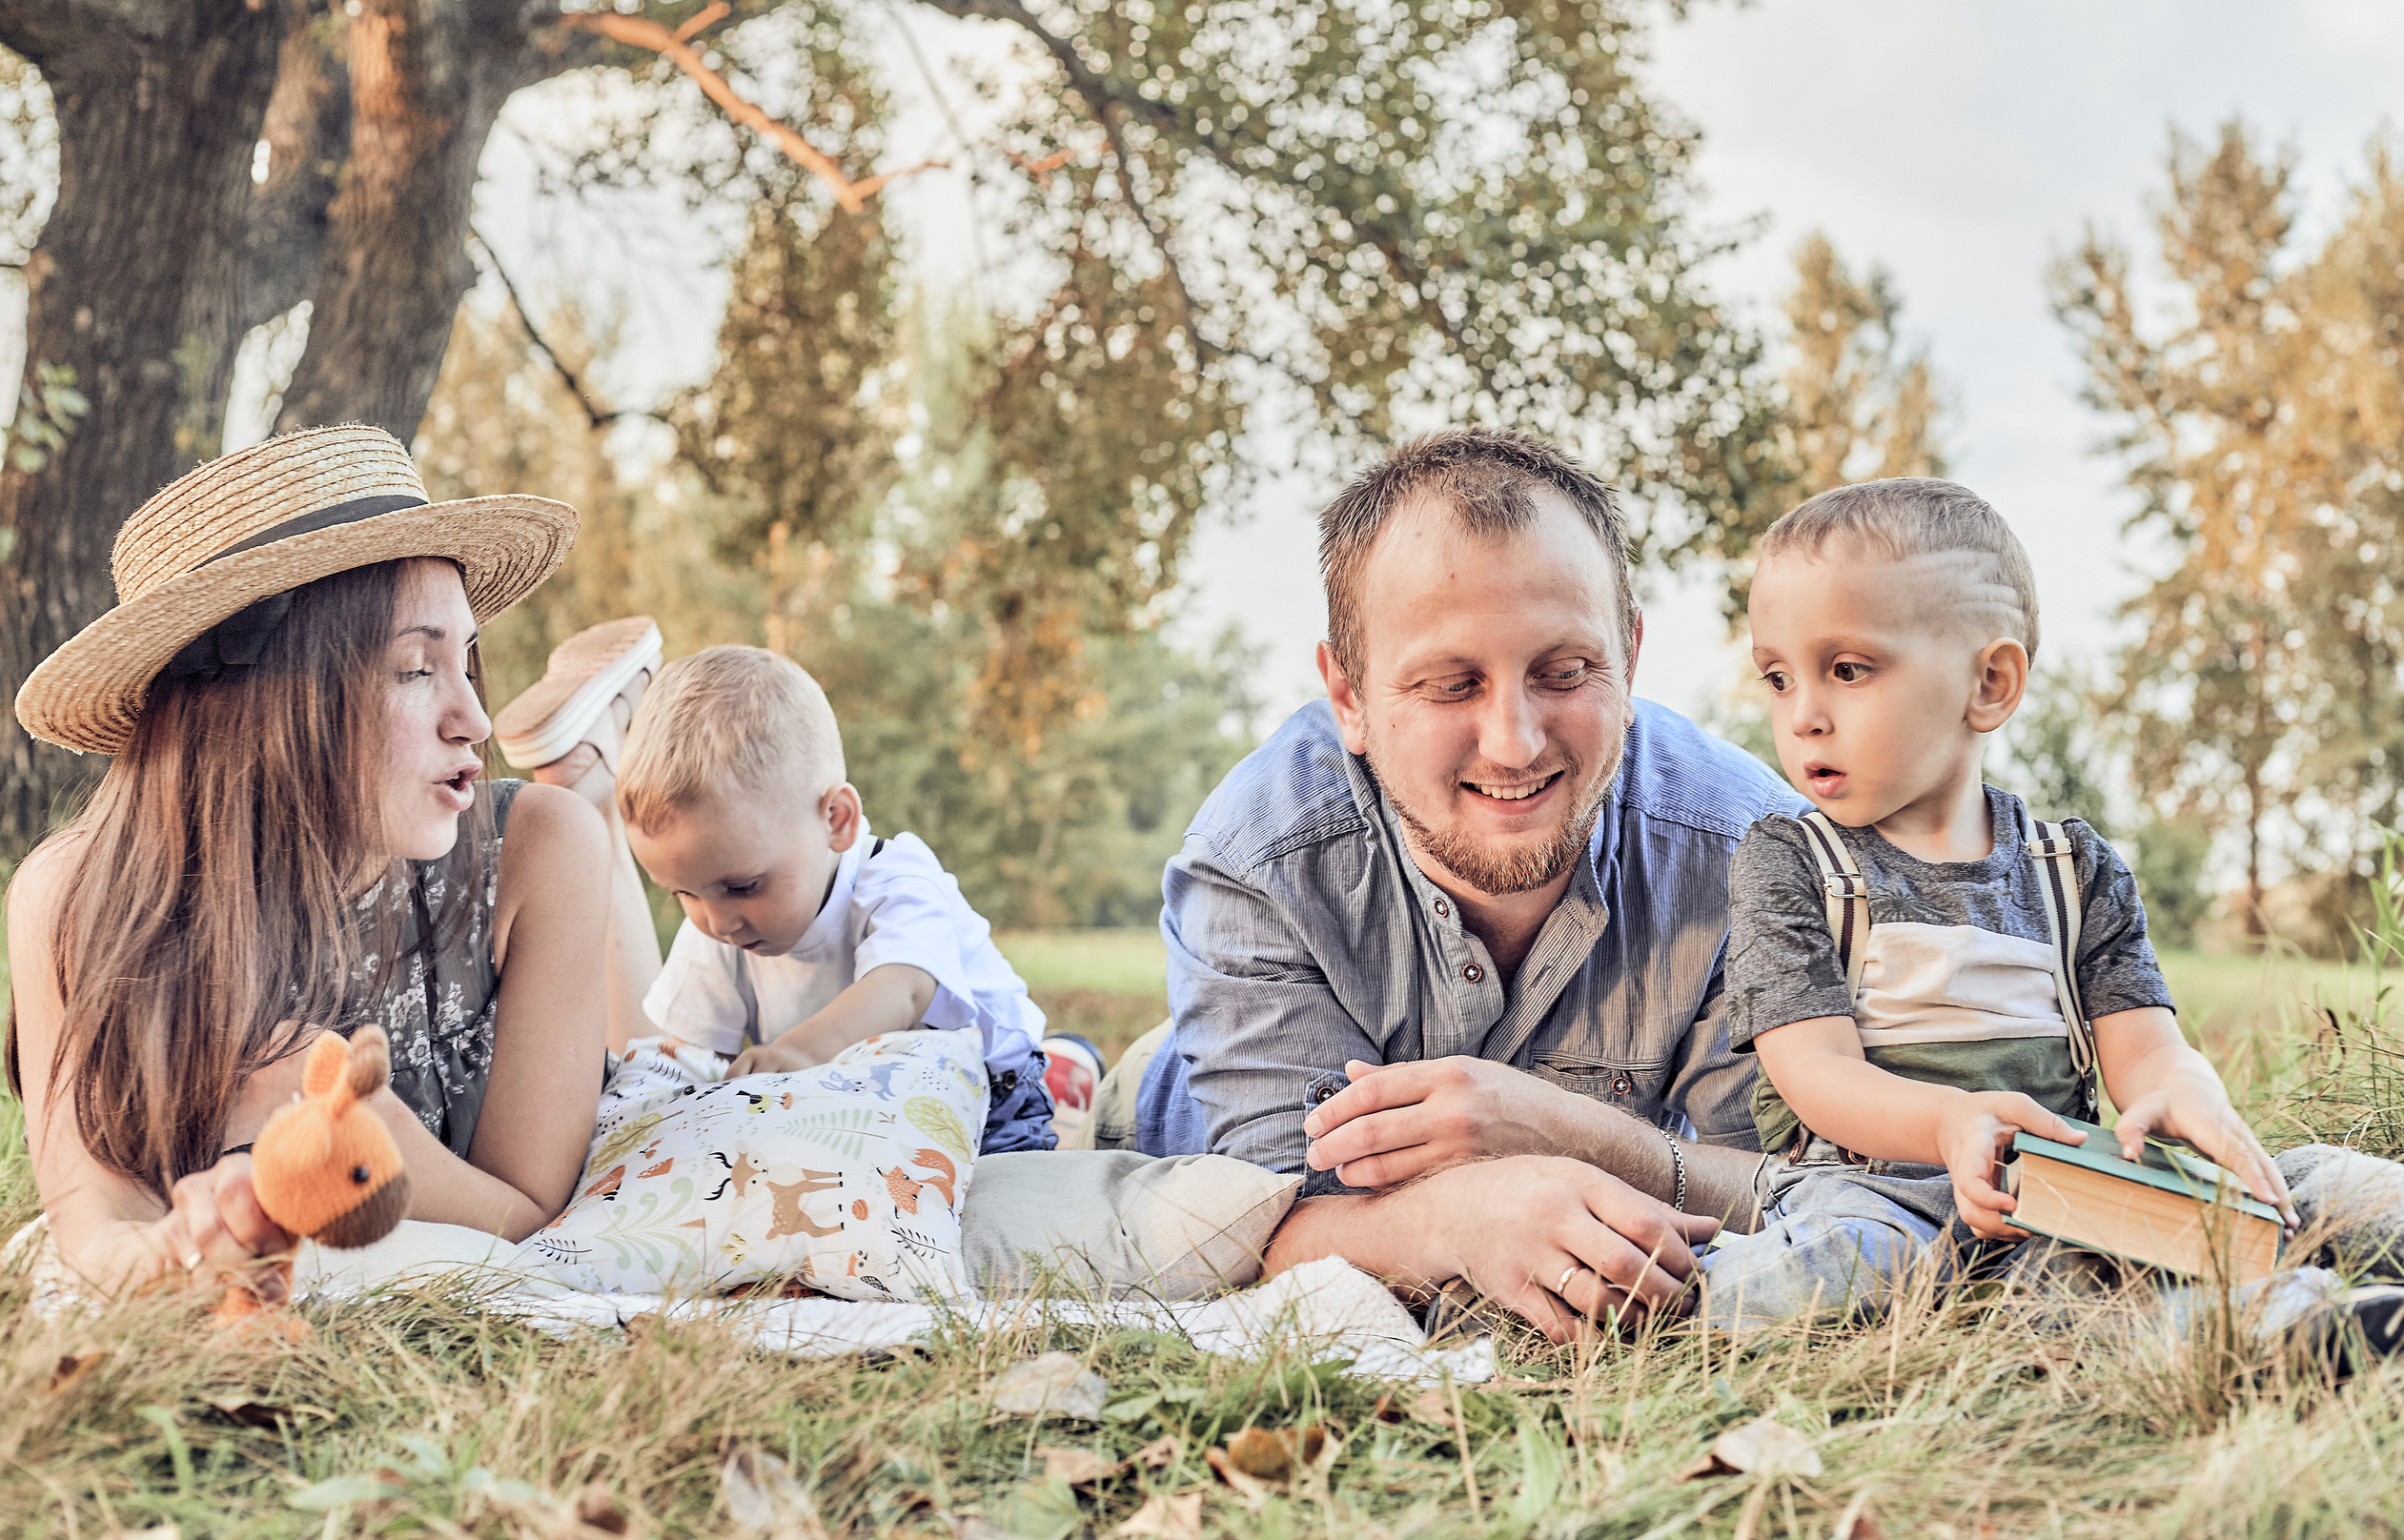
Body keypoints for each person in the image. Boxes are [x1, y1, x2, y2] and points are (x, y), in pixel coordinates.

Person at [1123, 427, 1809, 1339]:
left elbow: (1798, 1191)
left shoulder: (1756, 855)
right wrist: (1459, 1216)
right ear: (1350, 697)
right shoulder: (1255, 861)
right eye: (1451, 685)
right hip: (1183, 1103)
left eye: (1565, 672)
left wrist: (1567, 1132)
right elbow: (1265, 1229)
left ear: (1631, 657)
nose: (1514, 744)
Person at [8, 426, 613, 1296]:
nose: (475, 720)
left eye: (464, 660)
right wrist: (196, 1241)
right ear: (272, 701)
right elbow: (93, 1232)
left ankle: (610, 749)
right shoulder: (71, 897)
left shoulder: (537, 849)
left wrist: (365, 1123)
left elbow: (535, 1219)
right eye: (416, 669)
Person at [1697, 476, 2294, 1329]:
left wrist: (2185, 1088)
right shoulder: (1790, 861)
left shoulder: (2074, 871)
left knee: (2240, 1215)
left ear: (1990, 683)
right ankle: (1681, 1292)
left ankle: (2306, 1289)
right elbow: (1816, 1072)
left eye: (1847, 669)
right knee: (1844, 1268)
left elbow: (2145, 1049)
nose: (1804, 716)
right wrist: (1951, 1123)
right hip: (1873, 1194)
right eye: (1778, 677)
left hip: (2051, 1190)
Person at [556, 644, 1058, 1151]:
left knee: (992, 1190)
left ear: (836, 820)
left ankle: (1069, 1065)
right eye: (682, 894)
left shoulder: (895, 879)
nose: (718, 921)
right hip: (862, 1104)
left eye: (743, 887)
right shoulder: (718, 923)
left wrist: (801, 1053)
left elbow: (904, 988)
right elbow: (686, 1055)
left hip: (991, 1096)